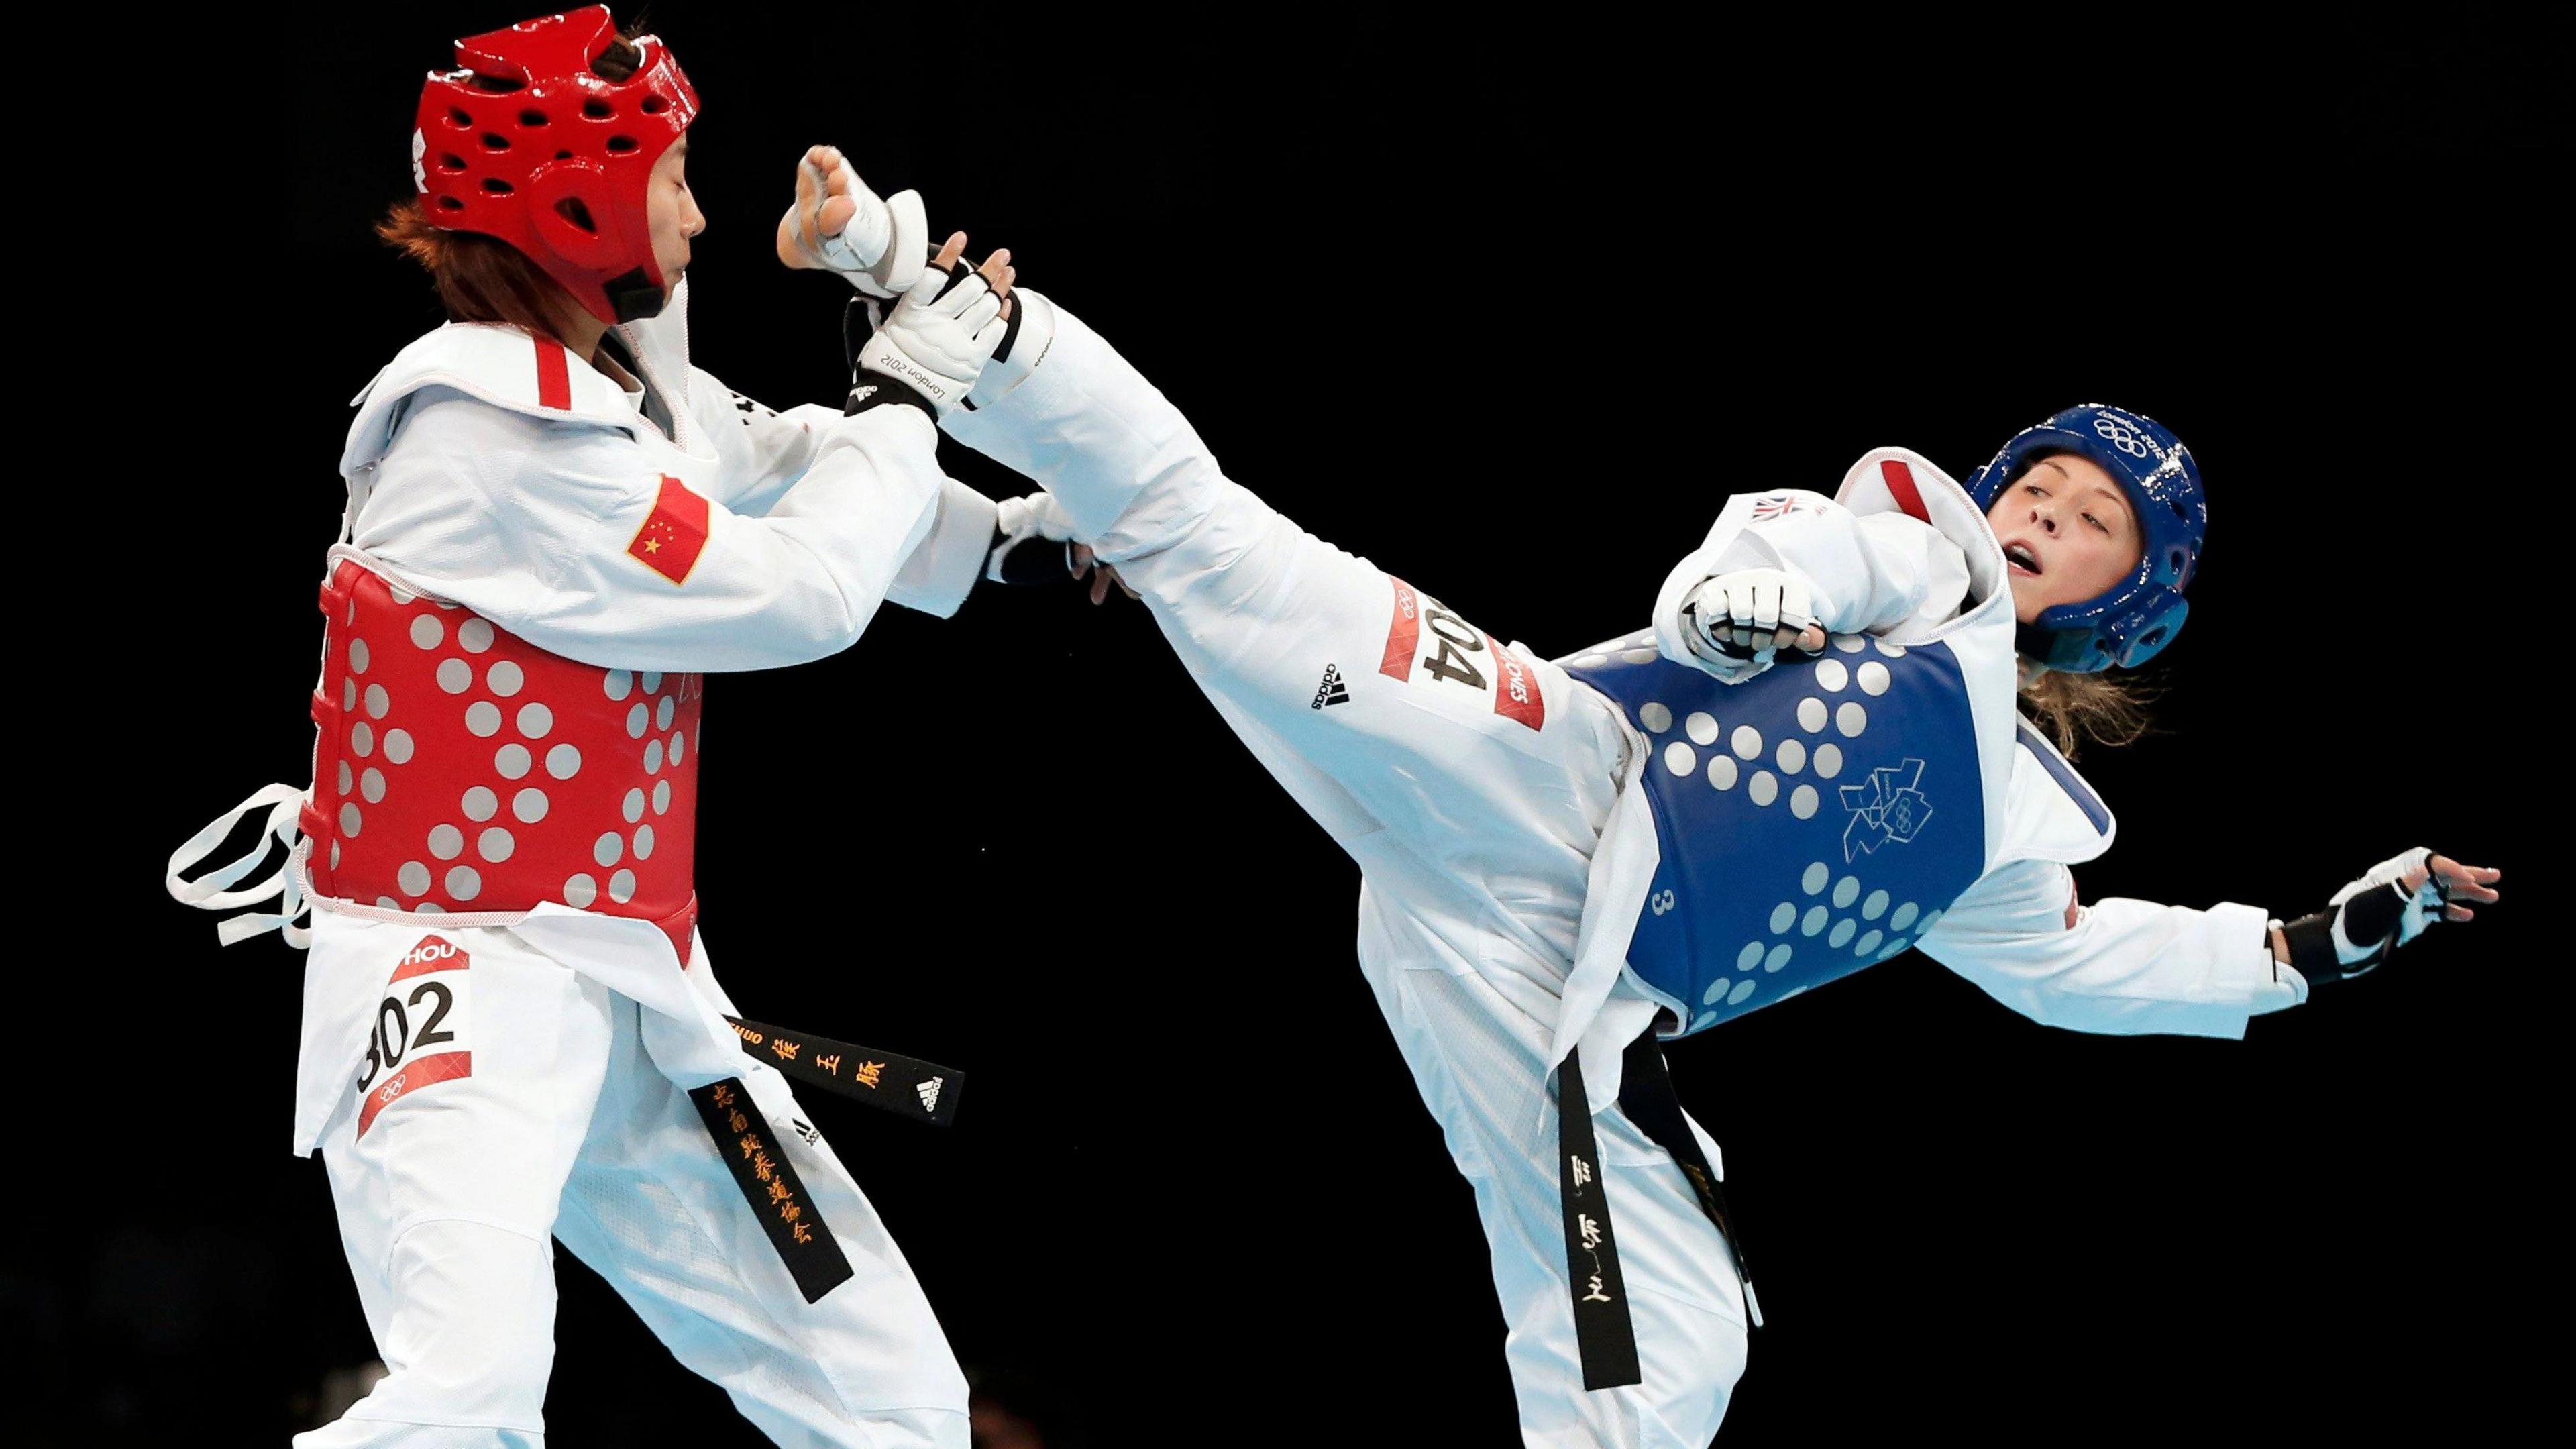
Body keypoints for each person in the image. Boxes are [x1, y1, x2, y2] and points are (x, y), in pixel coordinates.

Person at [930, 290, 2502, 1444]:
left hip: (1562, 1000)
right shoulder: (1930, 564)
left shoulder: (2009, 827)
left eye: (2091, 520)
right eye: (2041, 480)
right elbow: (1793, 547)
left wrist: (2304, 949)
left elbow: (2080, 969)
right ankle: (967, 325)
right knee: (1235, 562)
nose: (2042, 511)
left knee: (1672, 1349)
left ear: (2123, 600)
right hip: (1546, 778)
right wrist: (1729, 602)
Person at [162, 10, 1057, 1445]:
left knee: (892, 1401)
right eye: (676, 176)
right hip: (458, 979)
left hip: (633, 976)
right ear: (569, 200)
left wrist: (1005, 544)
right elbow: (803, 588)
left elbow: (746, 452)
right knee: (472, 1396)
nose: (702, 212)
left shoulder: (598, 384)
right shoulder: (496, 440)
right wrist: (904, 397)